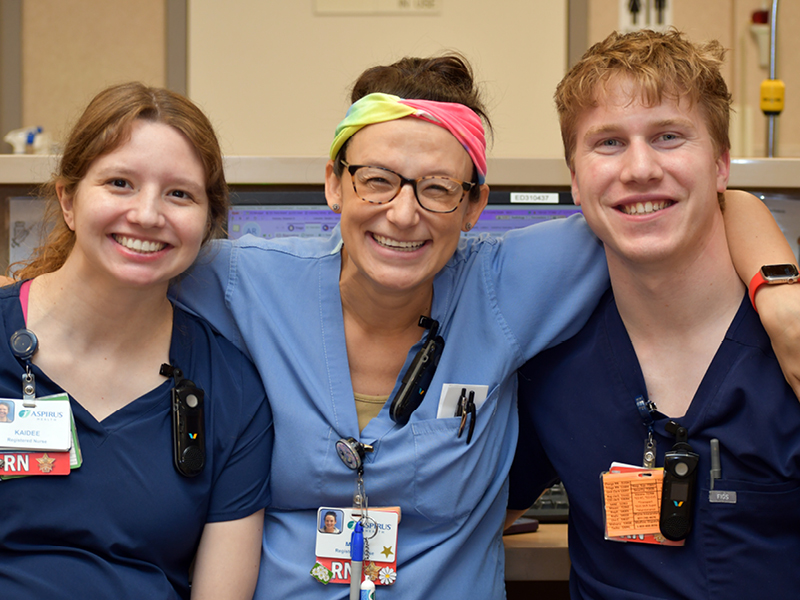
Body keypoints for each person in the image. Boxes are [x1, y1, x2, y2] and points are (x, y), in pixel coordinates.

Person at [173, 54, 797, 599]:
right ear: (335, 183)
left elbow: (692, 201)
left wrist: (781, 300)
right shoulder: (246, 282)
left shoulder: (508, 285)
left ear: (475, 204)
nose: (403, 213)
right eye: (377, 180)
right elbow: (136, 260)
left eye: (439, 188)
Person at [507, 30, 800, 599]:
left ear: (721, 165)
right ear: (574, 180)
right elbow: (468, 521)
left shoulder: (785, 351)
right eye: (608, 143)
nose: (639, 168)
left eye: (668, 136)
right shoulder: (552, 364)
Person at [0, 82, 272, 600]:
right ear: (68, 199)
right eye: (120, 183)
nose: (148, 215)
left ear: (207, 223)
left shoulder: (231, 392)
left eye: (179, 194)